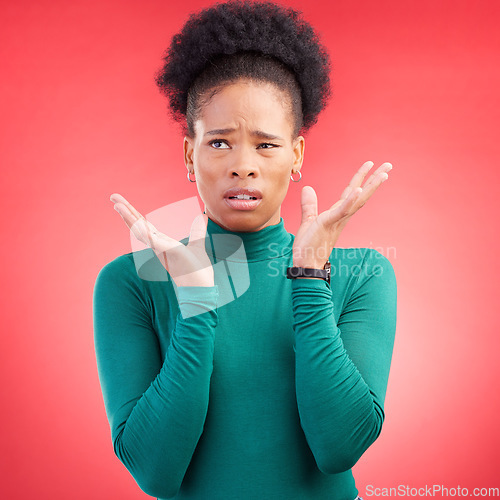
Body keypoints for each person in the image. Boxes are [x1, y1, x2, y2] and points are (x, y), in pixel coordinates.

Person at [93, 1, 397, 499]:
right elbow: (155, 474)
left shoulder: (361, 273)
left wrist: (308, 279)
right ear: (189, 153)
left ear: (296, 154)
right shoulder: (131, 282)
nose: (243, 166)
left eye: (266, 144)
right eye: (218, 143)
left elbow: (339, 447)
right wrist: (194, 301)